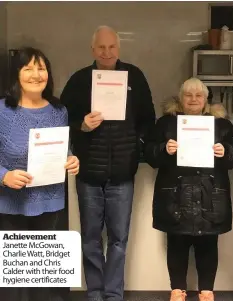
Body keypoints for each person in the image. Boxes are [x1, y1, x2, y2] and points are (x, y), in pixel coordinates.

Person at [60, 25, 155, 301]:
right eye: (101, 47)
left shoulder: (134, 76)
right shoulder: (79, 80)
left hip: (123, 174)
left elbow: (148, 119)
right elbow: (62, 120)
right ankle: (94, 294)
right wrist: (82, 126)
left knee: (118, 240)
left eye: (111, 46)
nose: (107, 52)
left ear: (119, 48)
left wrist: (137, 144)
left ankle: (113, 295)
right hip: (88, 173)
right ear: (92, 50)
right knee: (90, 239)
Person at [144, 78, 233, 301]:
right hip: (175, 194)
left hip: (210, 194)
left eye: (199, 95)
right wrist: (164, 149)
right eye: (188, 95)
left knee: (208, 242)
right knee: (177, 242)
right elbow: (148, 151)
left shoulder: (221, 124)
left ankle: (206, 291)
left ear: (206, 100)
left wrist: (225, 150)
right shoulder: (165, 124)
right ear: (180, 98)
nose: (193, 99)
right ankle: (177, 289)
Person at [0, 47, 79, 301]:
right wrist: (4, 175)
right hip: (11, 206)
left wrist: (72, 159)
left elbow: (63, 150)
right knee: (16, 284)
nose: (36, 74)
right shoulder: (2, 111)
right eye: (28, 68)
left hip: (50, 204)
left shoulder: (59, 111)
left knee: (47, 282)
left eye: (41, 68)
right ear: (16, 75)